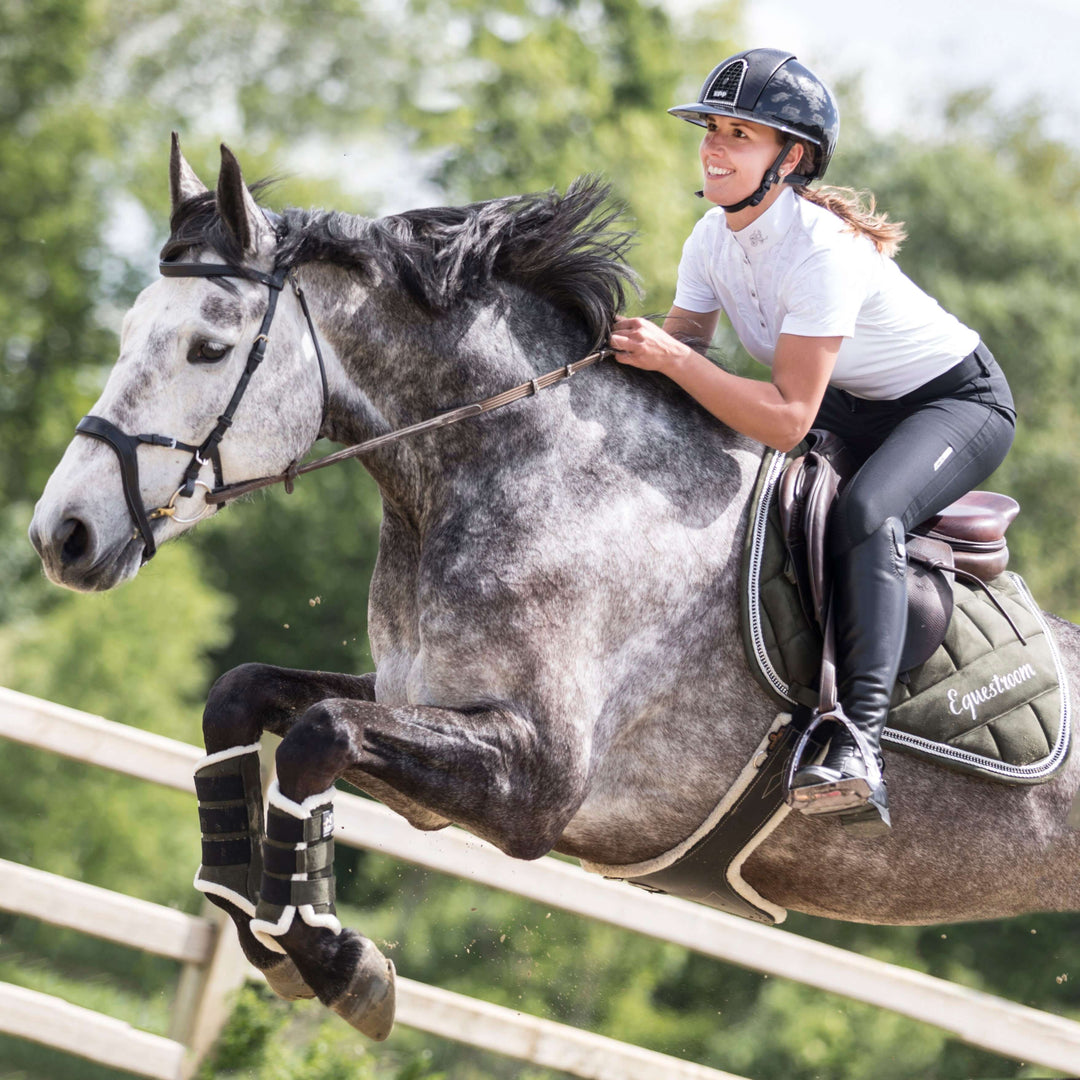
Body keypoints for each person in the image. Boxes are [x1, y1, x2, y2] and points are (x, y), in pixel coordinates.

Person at [609, 48, 1016, 834]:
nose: (714, 148)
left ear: (789, 158)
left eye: (739, 135)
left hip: (952, 403)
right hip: (855, 406)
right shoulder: (710, 237)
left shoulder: (822, 248)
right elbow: (680, 356)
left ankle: (855, 739)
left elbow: (789, 414)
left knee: (868, 513)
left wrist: (675, 358)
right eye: (710, 130)